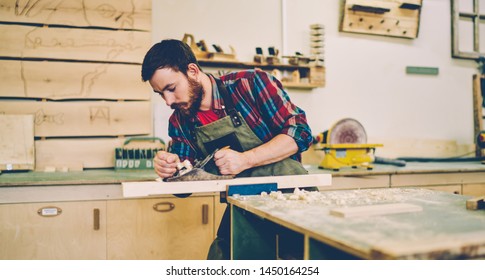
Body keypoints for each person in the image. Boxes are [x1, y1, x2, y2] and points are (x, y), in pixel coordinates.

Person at [141, 39, 313, 259]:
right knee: (224, 258)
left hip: (294, 199)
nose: (168, 101)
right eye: (160, 94)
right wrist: (170, 171)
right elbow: (183, 187)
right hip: (242, 204)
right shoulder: (180, 121)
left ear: (192, 71)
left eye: (171, 89)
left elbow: (300, 132)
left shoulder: (251, 84)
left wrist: (247, 159)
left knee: (301, 259)